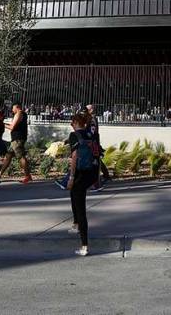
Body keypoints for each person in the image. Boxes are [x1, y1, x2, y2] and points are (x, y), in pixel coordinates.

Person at [67, 110, 100, 256]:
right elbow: (97, 154)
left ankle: (84, 245)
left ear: (75, 123)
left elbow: (74, 156)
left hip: (81, 172)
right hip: (92, 172)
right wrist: (97, 177)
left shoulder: (74, 135)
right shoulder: (90, 134)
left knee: (80, 207)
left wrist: (71, 177)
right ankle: (75, 223)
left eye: (72, 123)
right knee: (74, 193)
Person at [0, 102, 32, 184]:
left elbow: (12, 127)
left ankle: (27, 176)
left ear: (16, 107)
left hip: (18, 139)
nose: (12, 110)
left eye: (13, 108)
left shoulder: (19, 113)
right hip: (15, 139)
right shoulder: (21, 114)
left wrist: (1, 124)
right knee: (8, 156)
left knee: (21, 157)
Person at [86, 103, 110, 191]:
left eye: (88, 109)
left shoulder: (92, 119)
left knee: (94, 161)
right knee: (95, 160)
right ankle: (102, 178)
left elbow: (93, 132)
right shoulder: (90, 118)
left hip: (92, 143)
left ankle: (95, 183)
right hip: (92, 143)